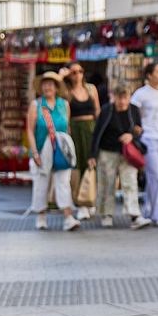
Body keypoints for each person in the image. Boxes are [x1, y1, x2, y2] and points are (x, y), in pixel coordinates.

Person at [88, 83, 152, 229]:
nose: (122, 102)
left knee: (130, 182)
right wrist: (92, 155)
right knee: (107, 183)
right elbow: (97, 132)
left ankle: (134, 214)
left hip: (127, 153)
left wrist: (131, 136)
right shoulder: (106, 110)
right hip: (107, 151)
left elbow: (139, 130)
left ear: (129, 98)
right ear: (114, 97)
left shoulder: (133, 110)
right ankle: (107, 214)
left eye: (125, 98)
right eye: (119, 98)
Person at [26, 70, 82, 231]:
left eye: (50, 84)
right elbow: (30, 130)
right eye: (45, 84)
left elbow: (67, 127)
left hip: (61, 149)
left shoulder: (64, 105)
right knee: (41, 182)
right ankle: (41, 216)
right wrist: (34, 152)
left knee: (63, 182)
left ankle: (68, 216)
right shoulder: (36, 105)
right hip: (42, 148)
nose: (47, 87)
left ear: (57, 87)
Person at [130, 62, 158, 227]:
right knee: (155, 176)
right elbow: (132, 113)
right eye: (157, 72)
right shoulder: (141, 94)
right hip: (148, 138)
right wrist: (137, 129)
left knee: (157, 177)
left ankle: (148, 210)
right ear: (149, 75)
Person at [63, 62, 100, 216]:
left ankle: (90, 198)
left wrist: (99, 131)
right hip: (75, 130)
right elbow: (65, 114)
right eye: (74, 72)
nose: (78, 75)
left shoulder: (91, 89)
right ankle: (80, 202)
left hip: (91, 128)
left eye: (80, 71)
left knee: (91, 163)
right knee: (77, 165)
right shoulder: (67, 92)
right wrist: (62, 75)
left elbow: (97, 111)